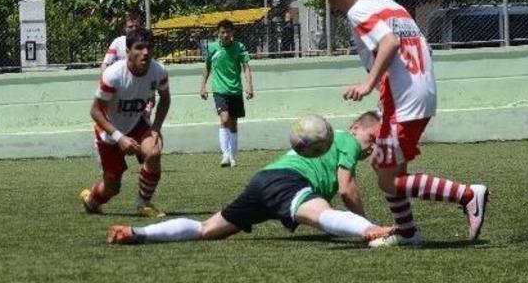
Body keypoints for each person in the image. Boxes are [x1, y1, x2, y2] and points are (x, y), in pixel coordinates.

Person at [313, 0, 488, 247]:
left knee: (386, 178)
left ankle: (467, 195)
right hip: (421, 91)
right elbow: (420, 45)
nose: (332, 5)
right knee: (386, 166)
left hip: (402, 100)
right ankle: (407, 232)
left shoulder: (359, 10)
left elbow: (390, 43)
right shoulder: (390, 4)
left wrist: (368, 84)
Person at [108, 112, 391, 246]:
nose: (372, 146)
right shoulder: (347, 140)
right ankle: (372, 230)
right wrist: (367, 223)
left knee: (207, 229)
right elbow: (347, 188)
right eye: (372, 137)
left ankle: (138, 233)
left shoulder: (335, 140)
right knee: (321, 213)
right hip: (288, 181)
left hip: (264, 180)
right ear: (356, 128)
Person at [80, 28, 171, 218]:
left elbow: (165, 98)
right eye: (139, 48)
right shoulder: (113, 75)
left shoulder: (159, 71)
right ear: (128, 51)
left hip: (137, 123)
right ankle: (91, 200)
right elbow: (95, 111)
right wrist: (120, 138)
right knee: (112, 187)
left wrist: (155, 128)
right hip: (109, 132)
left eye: (149, 48)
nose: (145, 52)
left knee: (153, 152)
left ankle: (143, 204)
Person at [199, 19, 254, 167]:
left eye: (228, 32)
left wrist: (249, 86)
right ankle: (225, 155)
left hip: (235, 90)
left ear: (232, 33)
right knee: (224, 119)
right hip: (219, 90)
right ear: (218, 33)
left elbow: (246, 67)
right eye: (222, 32)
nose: (225, 35)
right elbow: (207, 67)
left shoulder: (239, 47)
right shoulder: (212, 48)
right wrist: (202, 86)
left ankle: (232, 155)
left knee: (234, 123)